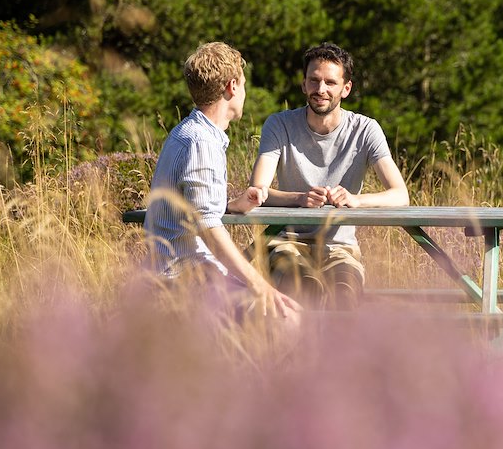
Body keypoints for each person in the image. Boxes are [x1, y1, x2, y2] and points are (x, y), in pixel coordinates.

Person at [144, 41, 301, 321]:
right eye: (243, 84)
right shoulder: (202, 142)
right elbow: (207, 227)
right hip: (184, 279)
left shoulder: (190, 133)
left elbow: (192, 208)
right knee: (288, 318)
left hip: (184, 272)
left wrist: (230, 206)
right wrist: (260, 285)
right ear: (232, 86)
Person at [250, 42, 409, 310]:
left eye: (330, 82)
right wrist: (300, 198)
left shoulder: (366, 129)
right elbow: (257, 191)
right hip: (287, 243)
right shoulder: (279, 125)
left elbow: (400, 195)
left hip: (340, 248)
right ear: (303, 85)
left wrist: (356, 200)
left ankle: (337, 352)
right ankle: (296, 352)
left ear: (346, 89)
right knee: (304, 289)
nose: (320, 89)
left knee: (344, 298)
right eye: (313, 81)